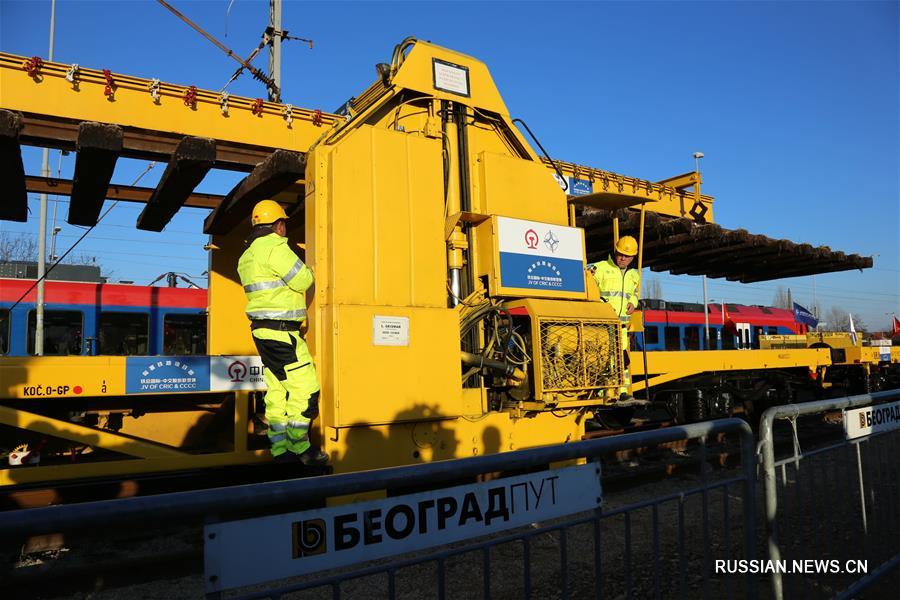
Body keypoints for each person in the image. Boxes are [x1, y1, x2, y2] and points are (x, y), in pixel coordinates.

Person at [237, 200, 328, 466]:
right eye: (284, 224)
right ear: (278, 225)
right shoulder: (276, 247)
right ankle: (301, 448)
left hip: (262, 332)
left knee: (277, 390)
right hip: (283, 333)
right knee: (306, 389)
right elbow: (303, 280)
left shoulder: (246, 256)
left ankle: (280, 452)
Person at [587, 235, 643, 405]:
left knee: (622, 360)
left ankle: (623, 392)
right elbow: (588, 288)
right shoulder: (600, 268)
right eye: (620, 254)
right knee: (605, 358)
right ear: (615, 251)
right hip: (603, 326)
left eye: (627, 256)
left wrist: (633, 303)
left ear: (633, 258)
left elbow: (633, 294)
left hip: (623, 327)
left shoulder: (634, 275)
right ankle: (604, 392)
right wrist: (601, 306)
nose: (623, 258)